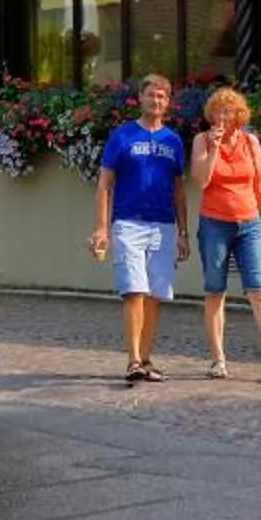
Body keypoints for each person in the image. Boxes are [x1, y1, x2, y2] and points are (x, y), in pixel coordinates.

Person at [191, 86, 261, 380]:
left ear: (240, 115)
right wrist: (213, 150)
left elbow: (260, 185)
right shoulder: (201, 141)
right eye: (218, 112)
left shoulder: (250, 142)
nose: (223, 117)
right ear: (210, 116)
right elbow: (201, 182)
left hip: (249, 223)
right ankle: (218, 360)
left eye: (229, 111)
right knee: (215, 291)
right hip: (215, 223)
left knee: (259, 291)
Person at [89, 73, 189, 383]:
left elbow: (179, 190)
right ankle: (133, 360)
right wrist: (101, 228)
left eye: (162, 97)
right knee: (134, 289)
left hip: (163, 225)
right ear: (140, 99)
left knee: (154, 294)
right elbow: (105, 183)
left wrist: (183, 232)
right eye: (151, 95)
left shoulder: (173, 141)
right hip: (128, 222)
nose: (156, 101)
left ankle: (145, 358)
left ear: (167, 103)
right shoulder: (122, 136)